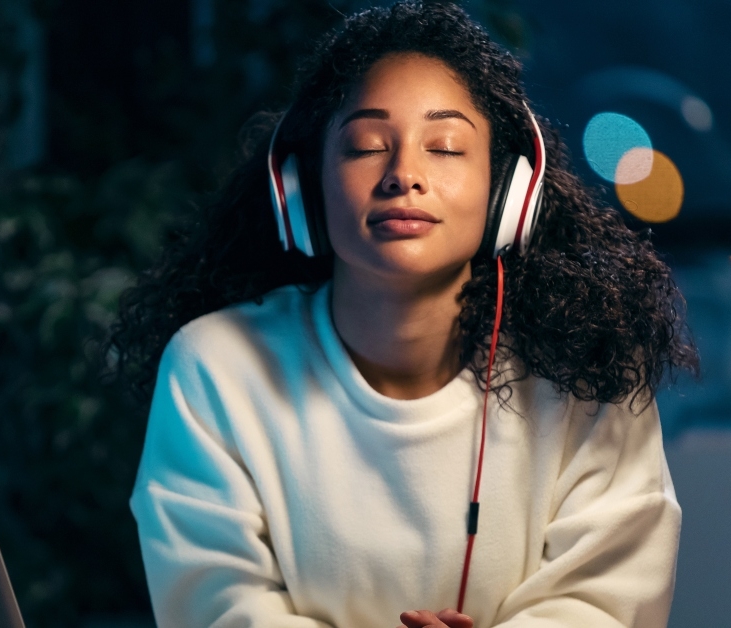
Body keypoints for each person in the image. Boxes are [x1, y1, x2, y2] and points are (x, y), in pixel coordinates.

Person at [110, 3, 698, 627]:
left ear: (510, 193)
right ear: (302, 188)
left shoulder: (591, 368)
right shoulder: (217, 366)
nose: (403, 176)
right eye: (365, 147)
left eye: (445, 147)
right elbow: (216, 606)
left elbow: (606, 604)